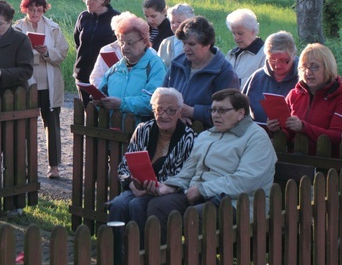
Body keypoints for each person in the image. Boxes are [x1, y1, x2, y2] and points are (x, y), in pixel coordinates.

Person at [145, 89, 276, 242]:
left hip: (241, 202)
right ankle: (168, 258)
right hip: (201, 195)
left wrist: (202, 189)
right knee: (159, 206)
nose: (215, 115)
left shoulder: (256, 137)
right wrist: (169, 186)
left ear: (241, 113)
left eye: (222, 110)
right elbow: (189, 170)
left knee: (196, 216)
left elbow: (247, 180)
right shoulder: (206, 135)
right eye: (213, 110)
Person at [108, 88, 196, 240]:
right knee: (118, 204)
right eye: (159, 109)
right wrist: (131, 184)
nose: (164, 115)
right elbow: (124, 167)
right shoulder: (143, 130)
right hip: (138, 188)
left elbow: (184, 175)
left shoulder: (189, 138)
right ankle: (116, 254)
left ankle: (143, 254)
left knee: (137, 205)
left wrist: (158, 187)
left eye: (171, 110)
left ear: (180, 112)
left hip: (167, 192)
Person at [14, 0, 70, 179]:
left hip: (49, 83)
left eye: (38, 9)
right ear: (25, 9)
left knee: (52, 125)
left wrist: (46, 52)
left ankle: (53, 166)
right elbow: (15, 55)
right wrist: (37, 55)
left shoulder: (53, 28)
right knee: (27, 124)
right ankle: (28, 164)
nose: (35, 13)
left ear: (44, 9)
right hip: (28, 83)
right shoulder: (17, 29)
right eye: (31, 9)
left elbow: (62, 53)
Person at [268, 43, 342, 155]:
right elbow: (288, 133)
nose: (308, 72)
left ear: (328, 67)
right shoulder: (294, 94)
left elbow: (339, 137)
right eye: (304, 67)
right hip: (293, 160)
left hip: (327, 165)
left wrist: (303, 127)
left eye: (314, 67)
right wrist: (275, 129)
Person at [163, 16, 240, 128]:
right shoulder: (177, 64)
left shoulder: (224, 72)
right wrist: (176, 115)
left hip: (208, 137)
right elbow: (162, 95)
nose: (186, 48)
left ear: (207, 45)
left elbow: (229, 113)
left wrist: (193, 112)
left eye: (192, 44)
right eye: (184, 43)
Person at [96, 12, 166, 119]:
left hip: (141, 131)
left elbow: (154, 100)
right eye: (121, 42)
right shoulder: (116, 68)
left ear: (144, 41)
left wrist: (122, 104)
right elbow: (102, 91)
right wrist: (99, 100)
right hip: (112, 131)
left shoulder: (155, 66)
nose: (125, 47)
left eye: (130, 43)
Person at [73, 0, 120, 105]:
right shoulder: (83, 17)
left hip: (106, 75)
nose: (87, 3)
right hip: (83, 73)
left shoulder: (116, 18)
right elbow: (78, 42)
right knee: (87, 112)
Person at [242, 31, 299, 122]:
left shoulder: (303, 79)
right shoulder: (257, 78)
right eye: (272, 59)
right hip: (257, 133)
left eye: (283, 60)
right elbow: (240, 110)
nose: (277, 66)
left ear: (293, 56)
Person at [225, 9, 266, 88]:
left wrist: (233, 83)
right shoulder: (231, 54)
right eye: (234, 33)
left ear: (253, 31)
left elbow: (262, 82)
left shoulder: (264, 54)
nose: (236, 38)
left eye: (240, 33)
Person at [157, 3, 195, 69]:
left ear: (190, 23)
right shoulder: (165, 43)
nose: (175, 25)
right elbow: (158, 68)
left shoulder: (197, 43)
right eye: (172, 22)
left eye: (179, 22)